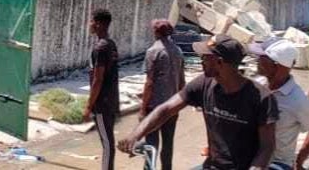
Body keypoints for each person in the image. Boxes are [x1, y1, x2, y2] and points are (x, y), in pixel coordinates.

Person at [119, 34, 278, 170]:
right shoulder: (204, 83)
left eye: (205, 57)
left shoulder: (262, 98)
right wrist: (136, 134)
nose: (201, 61)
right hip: (211, 165)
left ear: (219, 62)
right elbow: (166, 109)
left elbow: (267, 146)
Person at [250, 38, 309, 170]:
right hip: (249, 156)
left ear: (276, 65)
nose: (257, 61)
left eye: (262, 58)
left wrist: (299, 161)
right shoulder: (257, 86)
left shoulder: (297, 100)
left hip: (276, 163)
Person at [140, 19, 185, 170]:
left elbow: (149, 83)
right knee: (168, 145)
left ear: (156, 32)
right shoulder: (178, 51)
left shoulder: (153, 51)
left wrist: (142, 109)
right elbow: (182, 81)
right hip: (172, 105)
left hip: (155, 107)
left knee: (151, 144)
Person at [84, 9, 119, 170]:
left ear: (98, 24)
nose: (89, 24)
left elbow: (98, 79)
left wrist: (89, 106)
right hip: (111, 101)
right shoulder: (110, 44)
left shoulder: (100, 48)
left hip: (102, 103)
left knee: (107, 143)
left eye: (91, 21)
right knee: (108, 141)